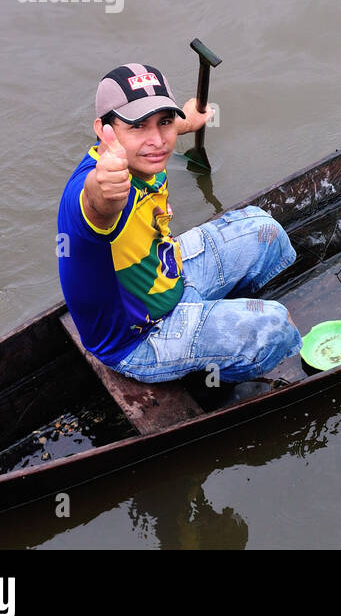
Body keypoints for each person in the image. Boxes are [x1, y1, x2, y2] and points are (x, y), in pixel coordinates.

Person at [56, 63, 302, 384]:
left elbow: (159, 133)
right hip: (141, 338)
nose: (157, 141)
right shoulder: (100, 188)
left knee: (265, 230)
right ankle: (210, 377)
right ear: (105, 131)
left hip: (169, 272)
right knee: (275, 328)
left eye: (165, 122)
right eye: (138, 126)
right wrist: (104, 190)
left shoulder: (146, 154)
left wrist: (186, 120)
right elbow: (98, 203)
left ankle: (214, 323)